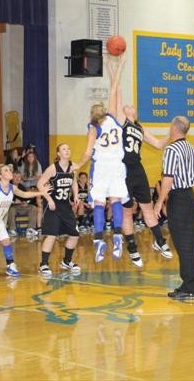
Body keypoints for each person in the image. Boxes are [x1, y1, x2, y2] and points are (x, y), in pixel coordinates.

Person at [108, 54, 172, 268]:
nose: (128, 106)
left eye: (131, 106)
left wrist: (171, 133)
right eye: (126, 105)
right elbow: (116, 91)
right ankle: (133, 249)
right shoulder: (121, 122)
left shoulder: (139, 127)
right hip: (122, 170)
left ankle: (160, 242)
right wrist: (115, 67)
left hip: (138, 169)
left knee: (148, 208)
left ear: (135, 112)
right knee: (127, 211)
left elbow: (158, 144)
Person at [73, 79, 128, 264]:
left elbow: (88, 152)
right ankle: (118, 237)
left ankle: (98, 241)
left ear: (92, 115)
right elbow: (114, 92)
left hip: (101, 168)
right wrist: (116, 72)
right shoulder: (114, 119)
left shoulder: (93, 128)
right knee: (116, 201)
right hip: (117, 166)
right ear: (104, 112)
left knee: (99, 203)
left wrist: (79, 165)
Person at [0, 164, 46, 276]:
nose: (10, 171)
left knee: (6, 241)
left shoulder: (12, 188)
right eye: (6, 170)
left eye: (10, 170)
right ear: (0, 176)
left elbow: (25, 194)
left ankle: (10, 266)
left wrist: (42, 192)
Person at [153, 116, 194, 301]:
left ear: (174, 128)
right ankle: (191, 284)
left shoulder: (171, 149)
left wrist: (159, 202)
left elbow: (168, 179)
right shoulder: (191, 148)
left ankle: (190, 287)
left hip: (179, 198)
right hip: (190, 196)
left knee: (182, 244)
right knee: (188, 243)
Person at [36, 143, 81, 277]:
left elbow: (74, 182)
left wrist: (76, 195)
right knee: (51, 235)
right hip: (53, 206)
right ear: (58, 154)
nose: (67, 151)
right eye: (64, 149)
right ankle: (43, 264)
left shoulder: (72, 167)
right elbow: (39, 184)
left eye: (68, 148)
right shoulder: (53, 168)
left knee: (75, 234)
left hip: (65, 206)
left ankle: (66, 261)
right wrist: (48, 199)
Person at [7, 169, 40, 238]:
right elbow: (5, 199)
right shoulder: (8, 186)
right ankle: (12, 230)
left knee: (33, 208)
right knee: (11, 209)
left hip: (21, 207)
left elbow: (27, 198)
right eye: (15, 177)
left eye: (19, 177)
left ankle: (30, 229)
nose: (17, 178)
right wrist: (14, 201)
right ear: (12, 177)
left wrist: (26, 202)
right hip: (11, 206)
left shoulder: (21, 187)